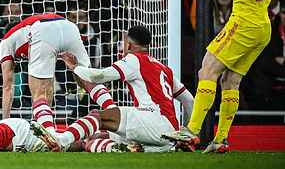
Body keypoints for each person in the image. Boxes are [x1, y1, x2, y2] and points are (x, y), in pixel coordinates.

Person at [164, 0, 274, 152]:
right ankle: (220, 140)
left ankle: (191, 131)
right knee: (230, 80)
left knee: (207, 70)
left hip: (244, 24)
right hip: (263, 27)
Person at [32, 25, 194, 153]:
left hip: (152, 120)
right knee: (101, 135)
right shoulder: (164, 68)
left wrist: (75, 67)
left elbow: (99, 76)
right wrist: (187, 132)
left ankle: (60, 140)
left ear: (129, 44)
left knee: (97, 116)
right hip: (169, 134)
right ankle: (128, 149)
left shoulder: (134, 59)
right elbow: (189, 100)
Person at [0, 12, 90, 134]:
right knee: (88, 79)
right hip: (68, 26)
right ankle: (109, 107)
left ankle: (43, 131)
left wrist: (5, 122)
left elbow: (7, 86)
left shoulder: (6, 41)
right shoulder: (26, 33)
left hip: (43, 29)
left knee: (40, 92)